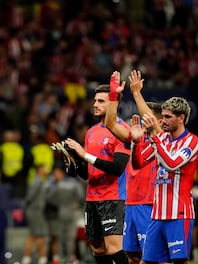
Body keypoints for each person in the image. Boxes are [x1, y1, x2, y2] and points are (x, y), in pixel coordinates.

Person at [64, 81, 130, 264]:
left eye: (101, 101)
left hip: (113, 197)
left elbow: (117, 169)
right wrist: (74, 163)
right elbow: (87, 173)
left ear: (113, 104)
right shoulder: (91, 132)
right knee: (97, 249)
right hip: (92, 198)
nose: (95, 104)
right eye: (95, 100)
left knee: (113, 248)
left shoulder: (123, 130)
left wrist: (84, 154)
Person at [130, 97, 198, 264]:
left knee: (179, 262)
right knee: (146, 261)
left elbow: (172, 164)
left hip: (179, 214)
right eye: (163, 116)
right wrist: (135, 141)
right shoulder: (164, 139)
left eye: (168, 117)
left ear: (181, 118)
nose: (163, 120)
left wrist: (154, 136)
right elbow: (138, 163)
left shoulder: (192, 141)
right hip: (157, 215)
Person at [104, 70, 162, 264]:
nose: (144, 120)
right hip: (130, 204)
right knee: (133, 257)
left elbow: (153, 123)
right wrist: (114, 97)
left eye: (148, 118)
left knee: (151, 257)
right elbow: (110, 123)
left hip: (150, 204)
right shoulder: (136, 137)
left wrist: (136, 93)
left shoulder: (164, 139)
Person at [45, 159, 85, 264]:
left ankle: (70, 257)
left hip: (70, 213)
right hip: (57, 214)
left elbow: (80, 197)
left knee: (70, 237)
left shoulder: (72, 183)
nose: (56, 174)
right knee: (59, 237)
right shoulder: (52, 183)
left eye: (58, 172)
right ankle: (60, 258)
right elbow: (48, 198)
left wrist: (76, 204)